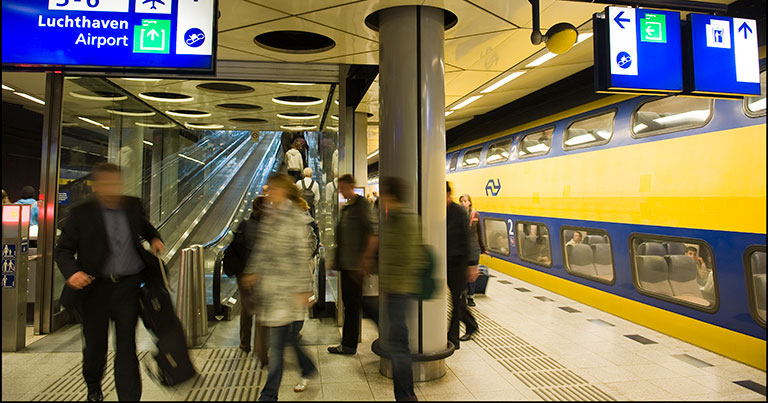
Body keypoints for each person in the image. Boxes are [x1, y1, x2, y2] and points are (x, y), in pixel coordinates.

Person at [55, 163, 165, 402]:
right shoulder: (81, 213)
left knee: (126, 345)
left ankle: (129, 396)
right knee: (95, 345)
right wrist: (72, 272)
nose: (111, 188)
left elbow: (145, 228)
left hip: (128, 286)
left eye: (115, 183)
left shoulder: (132, 205)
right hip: (96, 289)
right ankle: (94, 387)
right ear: (96, 185)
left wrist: (155, 238)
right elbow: (62, 249)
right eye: (105, 183)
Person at [239, 173, 317, 401]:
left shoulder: (295, 219)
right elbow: (263, 248)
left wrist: (304, 288)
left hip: (288, 291)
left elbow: (300, 254)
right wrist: (252, 271)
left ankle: (268, 395)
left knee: (278, 346)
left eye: (272, 189)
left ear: (282, 190)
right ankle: (307, 365)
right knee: (285, 339)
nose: (268, 193)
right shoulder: (271, 216)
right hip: (272, 291)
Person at [379, 176, 423, 401]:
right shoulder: (402, 218)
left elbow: (406, 258)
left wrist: (390, 284)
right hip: (399, 290)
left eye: (384, 194)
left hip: (399, 291)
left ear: (391, 196)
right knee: (399, 345)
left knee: (398, 348)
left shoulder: (401, 220)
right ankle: (405, 394)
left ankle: (405, 396)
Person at [327, 174, 377, 355]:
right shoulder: (347, 207)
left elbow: (372, 233)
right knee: (351, 303)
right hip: (347, 265)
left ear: (350, 186)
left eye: (342, 188)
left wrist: (365, 259)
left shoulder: (362, 205)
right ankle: (348, 343)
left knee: (354, 304)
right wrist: (335, 259)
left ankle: (349, 344)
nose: (340, 191)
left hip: (355, 266)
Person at [232, 196, 270, 367]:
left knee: (246, 310)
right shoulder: (270, 227)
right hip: (263, 275)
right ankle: (262, 351)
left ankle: (244, 342)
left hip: (244, 275)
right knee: (263, 313)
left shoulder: (244, 225)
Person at [446, 182, 478, 348]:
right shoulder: (442, 211)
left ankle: (453, 339)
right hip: (447, 262)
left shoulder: (458, 212)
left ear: (448, 194)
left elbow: (468, 240)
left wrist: (472, 266)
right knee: (457, 300)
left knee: (457, 300)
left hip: (459, 263)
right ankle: (472, 326)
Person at [459, 194, 487, 308]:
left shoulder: (476, 215)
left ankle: (471, 296)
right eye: (461, 201)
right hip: (462, 249)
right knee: (464, 274)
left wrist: (483, 248)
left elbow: (480, 233)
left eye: (465, 201)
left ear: (470, 202)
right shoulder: (459, 215)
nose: (463, 203)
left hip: (474, 249)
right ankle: (464, 295)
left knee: (472, 275)